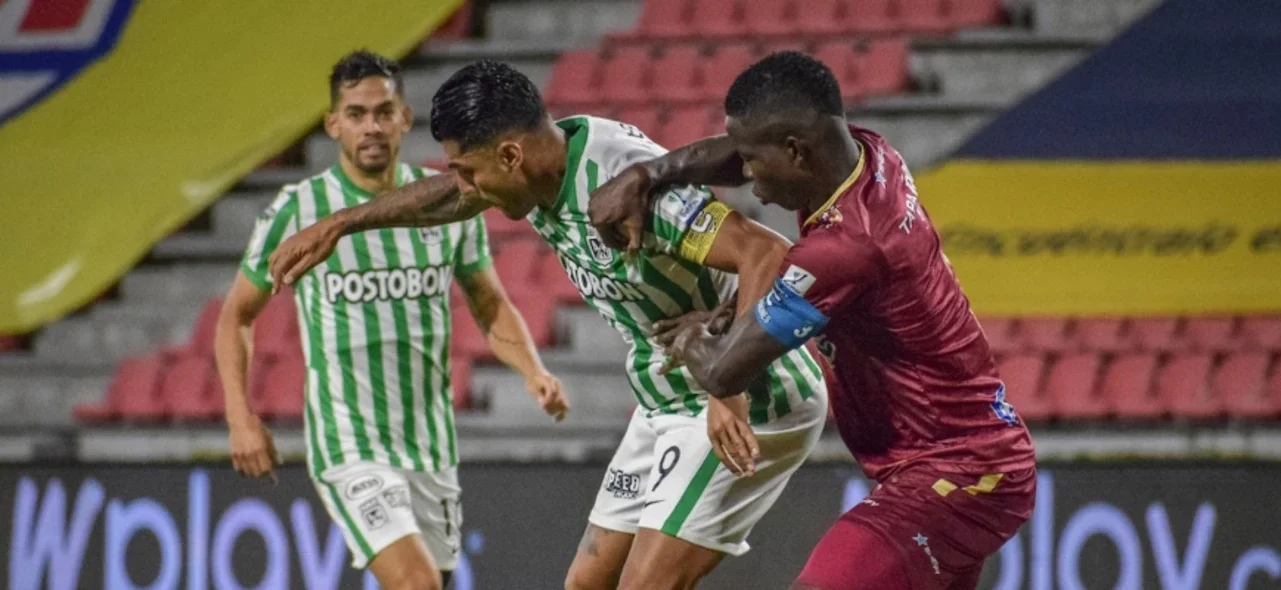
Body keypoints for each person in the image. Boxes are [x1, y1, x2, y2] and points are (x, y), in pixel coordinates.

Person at [265, 60, 829, 590]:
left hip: (748, 394)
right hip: (666, 395)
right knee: (585, 584)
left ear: (510, 155)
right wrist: (342, 224)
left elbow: (765, 252)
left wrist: (727, 384)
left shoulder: (619, 186)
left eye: (470, 172)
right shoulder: (540, 166)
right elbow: (449, 197)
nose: (468, 188)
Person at [588, 51, 1037, 590]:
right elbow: (737, 155)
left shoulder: (850, 246)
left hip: (960, 473)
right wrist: (647, 173)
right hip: (957, 461)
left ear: (796, 152)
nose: (745, 177)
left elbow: (725, 373)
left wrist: (690, 340)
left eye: (753, 162)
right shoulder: (867, 155)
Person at [214, 50, 569, 590]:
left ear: (405, 118)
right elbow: (236, 315)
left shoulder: (452, 199)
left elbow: (489, 303)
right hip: (350, 443)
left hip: (430, 444)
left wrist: (533, 371)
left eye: (384, 112)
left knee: (433, 583)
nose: (372, 127)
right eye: (356, 114)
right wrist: (240, 417)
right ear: (333, 124)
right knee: (416, 584)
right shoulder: (299, 209)